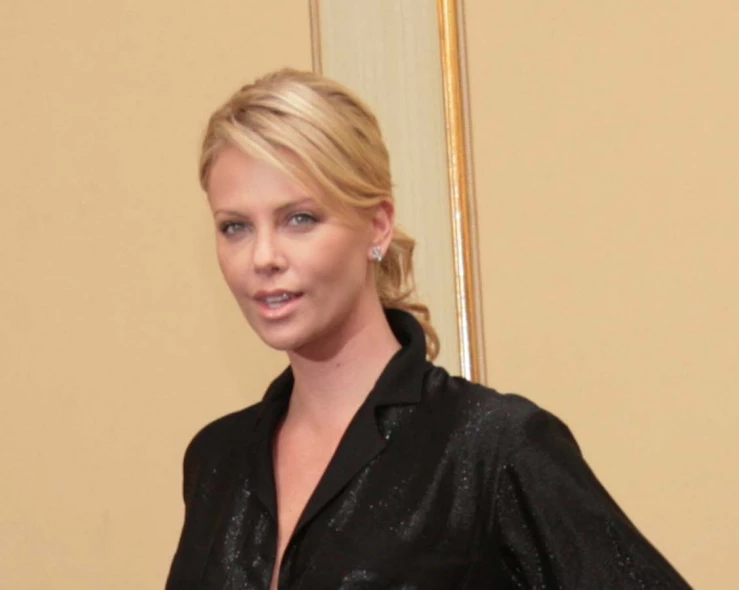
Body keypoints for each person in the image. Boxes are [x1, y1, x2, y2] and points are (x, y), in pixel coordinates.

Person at [166, 68, 690, 589]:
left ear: (378, 225)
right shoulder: (216, 459)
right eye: (235, 227)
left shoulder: (492, 446)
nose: (263, 257)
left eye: (299, 219)